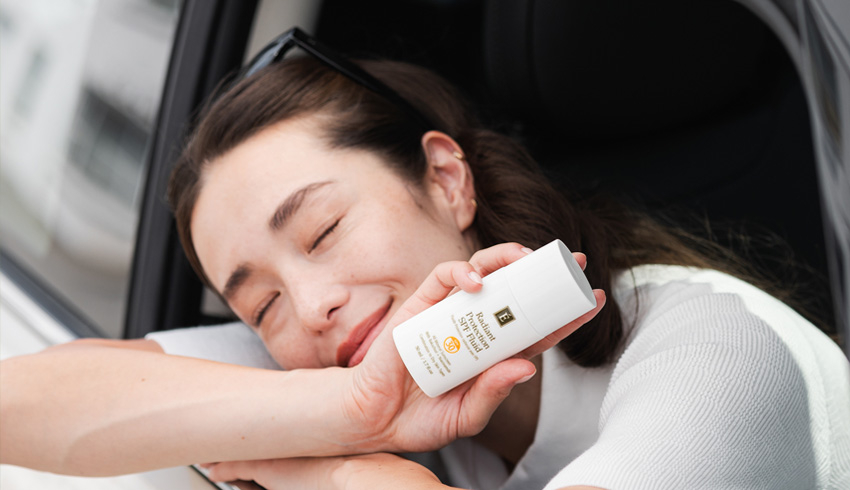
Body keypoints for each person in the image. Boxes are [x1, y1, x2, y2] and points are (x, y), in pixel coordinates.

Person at [2, 28, 849, 490]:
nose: (308, 308)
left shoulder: (718, 354)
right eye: (257, 305)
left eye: (323, 232)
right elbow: (22, 406)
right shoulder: (356, 372)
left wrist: (339, 475)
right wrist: (353, 410)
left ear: (446, 179)